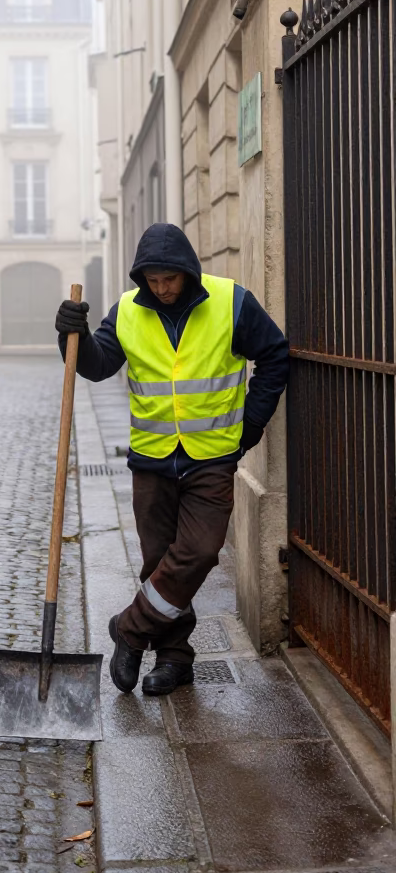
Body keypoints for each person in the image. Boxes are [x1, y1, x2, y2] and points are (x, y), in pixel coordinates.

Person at [56, 223, 289, 697]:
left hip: (212, 457)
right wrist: (71, 336)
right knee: (159, 562)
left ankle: (129, 628)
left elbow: (275, 355)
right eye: (153, 280)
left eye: (170, 279)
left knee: (199, 552)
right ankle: (175, 659)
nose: (162, 289)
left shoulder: (231, 302)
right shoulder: (128, 310)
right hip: (152, 458)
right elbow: (97, 366)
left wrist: (250, 425)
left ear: (187, 271)